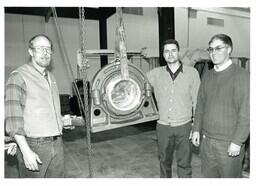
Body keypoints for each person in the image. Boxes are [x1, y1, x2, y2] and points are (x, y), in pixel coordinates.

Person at [5, 34, 65, 178]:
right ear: (31, 51)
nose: (45, 53)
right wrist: (24, 149)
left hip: (57, 142)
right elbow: (13, 118)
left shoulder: (51, 77)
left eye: (48, 49)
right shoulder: (18, 76)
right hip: (34, 145)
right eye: (39, 48)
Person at [192, 34, 249, 178]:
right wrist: (196, 129)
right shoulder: (208, 75)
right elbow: (201, 105)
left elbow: (246, 112)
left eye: (219, 48)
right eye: (210, 49)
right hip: (207, 141)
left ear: (229, 49)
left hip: (228, 143)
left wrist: (237, 141)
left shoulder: (242, 76)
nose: (213, 53)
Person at [146, 39, 200, 178]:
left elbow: (197, 101)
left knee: (185, 163)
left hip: (185, 126)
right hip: (163, 127)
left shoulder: (192, 73)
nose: (170, 54)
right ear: (163, 55)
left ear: (179, 52)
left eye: (173, 50)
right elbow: (134, 85)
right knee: (164, 161)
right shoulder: (154, 74)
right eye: (166, 51)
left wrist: (195, 127)